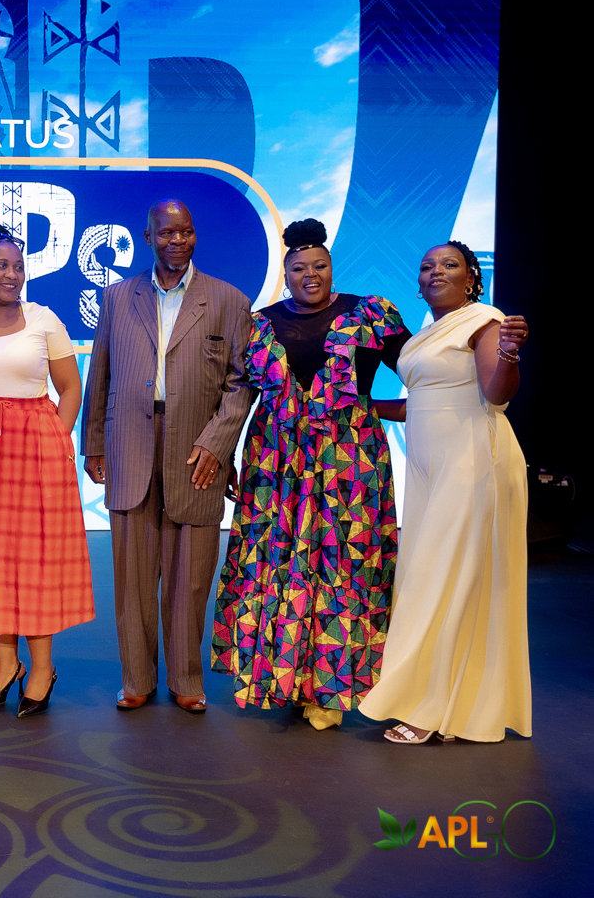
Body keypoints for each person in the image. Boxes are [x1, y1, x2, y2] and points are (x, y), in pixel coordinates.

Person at [210, 219, 409, 730]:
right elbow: (236, 397)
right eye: (299, 268)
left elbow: (423, 372)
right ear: (286, 274)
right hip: (276, 465)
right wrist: (223, 453)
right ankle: (286, 680)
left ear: (332, 268)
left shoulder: (370, 314)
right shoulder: (258, 324)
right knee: (278, 566)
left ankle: (330, 691)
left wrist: (384, 409)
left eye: (319, 265)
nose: (310, 274)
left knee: (343, 567)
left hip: (350, 465)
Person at [81, 199, 255, 713]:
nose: (177, 241)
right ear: (148, 237)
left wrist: (217, 443)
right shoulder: (118, 297)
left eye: (185, 232)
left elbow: (241, 383)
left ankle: (185, 679)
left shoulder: (229, 300)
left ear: (194, 235)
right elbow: (100, 373)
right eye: (166, 233)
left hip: (198, 447)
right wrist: (94, 443)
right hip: (129, 441)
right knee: (132, 574)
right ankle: (136, 678)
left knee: (192, 573)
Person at [359, 242, 531, 744]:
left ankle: (430, 710)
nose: (436, 271)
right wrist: (359, 406)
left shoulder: (484, 320)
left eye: (449, 265)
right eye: (427, 266)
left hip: (472, 462)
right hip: (430, 469)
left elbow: (495, 394)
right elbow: (421, 403)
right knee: (442, 578)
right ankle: (453, 705)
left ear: (471, 277)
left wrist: (509, 354)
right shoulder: (425, 334)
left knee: (441, 582)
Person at [0, 222, 93, 718]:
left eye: (18, 266)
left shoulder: (43, 319)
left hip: (36, 448)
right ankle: (6, 666)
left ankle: (43, 669)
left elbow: (70, 387)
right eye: (1, 266)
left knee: (33, 562)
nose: (12, 274)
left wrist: (58, 439)